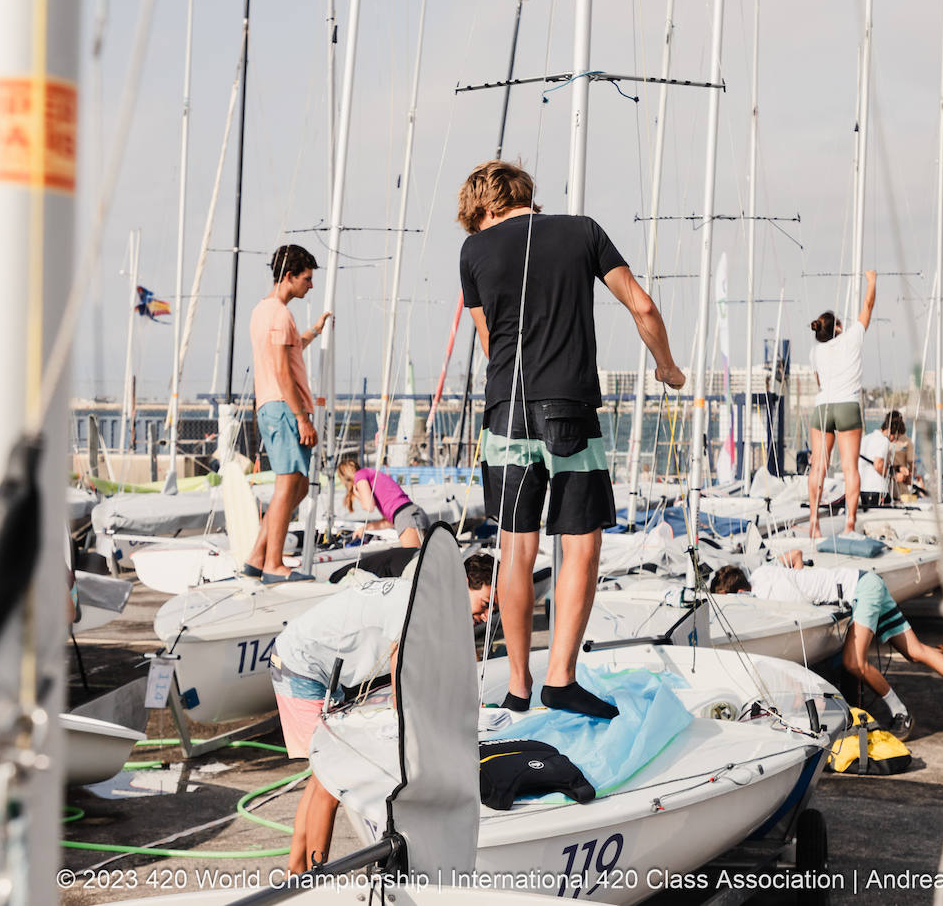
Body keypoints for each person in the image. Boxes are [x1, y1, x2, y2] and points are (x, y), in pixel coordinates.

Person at [458, 159, 685, 720]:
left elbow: (490, 343)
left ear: (487, 207)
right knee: (579, 544)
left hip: (504, 415)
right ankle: (560, 679)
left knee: (517, 547)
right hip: (570, 412)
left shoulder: (474, 253)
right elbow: (643, 306)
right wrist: (668, 368)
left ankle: (517, 685)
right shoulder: (583, 230)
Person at [273, 554, 496, 874]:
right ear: (461, 586)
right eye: (484, 603)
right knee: (330, 780)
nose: (486, 617)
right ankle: (311, 880)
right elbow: (400, 670)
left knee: (319, 779)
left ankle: (297, 871)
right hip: (302, 665)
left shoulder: (423, 595)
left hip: (312, 663)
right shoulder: (417, 605)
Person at [710, 565, 943, 737]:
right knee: (916, 651)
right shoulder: (761, 576)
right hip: (867, 581)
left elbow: (801, 609)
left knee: (853, 662)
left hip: (862, 589)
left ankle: (902, 715)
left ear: (740, 594)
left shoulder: (772, 593)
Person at [243, 245, 331, 584]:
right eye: (307, 279)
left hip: (272, 405)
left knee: (300, 485)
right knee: (287, 485)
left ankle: (256, 557)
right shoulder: (279, 315)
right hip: (284, 407)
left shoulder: (263, 313)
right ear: (289, 277)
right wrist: (302, 418)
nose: (310, 286)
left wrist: (313, 331)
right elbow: (282, 372)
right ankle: (273, 565)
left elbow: (288, 353)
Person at [806, 271, 877, 537]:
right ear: (837, 327)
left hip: (823, 406)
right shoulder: (852, 338)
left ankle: (814, 522)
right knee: (849, 468)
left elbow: (818, 382)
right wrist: (872, 282)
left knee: (818, 467)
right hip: (847, 405)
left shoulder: (816, 352)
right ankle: (849, 523)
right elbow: (867, 307)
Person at [336, 460, 432, 548]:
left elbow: (369, 506)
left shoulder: (360, 475)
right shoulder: (370, 474)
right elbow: (389, 522)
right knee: (424, 559)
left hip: (406, 517)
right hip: (412, 514)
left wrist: (357, 494)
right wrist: (365, 528)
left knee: (414, 561)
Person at [857, 410, 903, 509]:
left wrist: (896, 468)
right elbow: (878, 465)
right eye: (896, 437)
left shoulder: (867, 438)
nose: (895, 441)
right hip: (877, 491)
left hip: (863, 489)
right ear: (893, 432)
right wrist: (894, 476)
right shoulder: (884, 441)